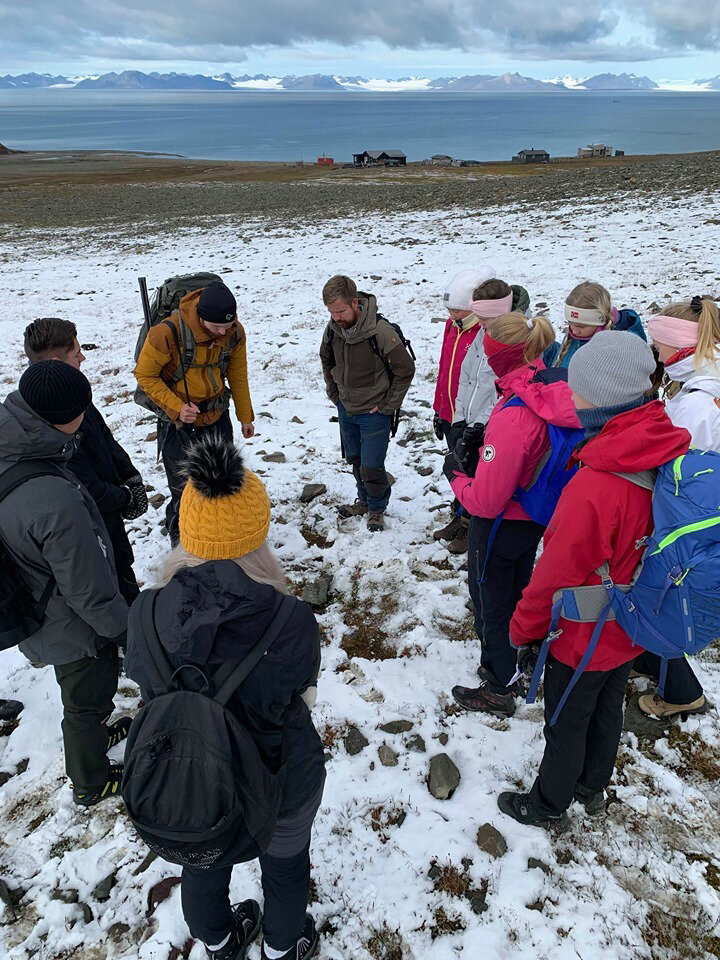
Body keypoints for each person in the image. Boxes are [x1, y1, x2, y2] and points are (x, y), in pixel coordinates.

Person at [125, 436, 324, 960]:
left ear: (186, 529)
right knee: (285, 868)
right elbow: (300, 697)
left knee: (203, 865)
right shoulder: (292, 622)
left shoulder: (145, 613)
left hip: (194, 786)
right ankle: (283, 947)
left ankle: (218, 942)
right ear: (257, 533)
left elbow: (147, 684)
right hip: (281, 781)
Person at [500, 332, 690, 827]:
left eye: (578, 391)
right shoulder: (664, 443)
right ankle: (592, 785)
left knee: (565, 719)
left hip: (584, 633)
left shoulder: (596, 485)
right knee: (607, 706)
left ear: (604, 399)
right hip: (635, 618)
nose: (570, 398)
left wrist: (524, 630)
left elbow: (553, 575)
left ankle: (546, 804)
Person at [0, 362, 130, 806]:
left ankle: (95, 733)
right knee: (85, 698)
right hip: (70, 625)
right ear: (65, 417)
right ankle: (91, 780)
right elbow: (88, 592)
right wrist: (124, 631)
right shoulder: (53, 501)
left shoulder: (12, 439)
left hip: (35, 600)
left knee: (83, 695)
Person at [445, 311, 580, 717]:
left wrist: (456, 477)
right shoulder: (550, 386)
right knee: (519, 587)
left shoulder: (514, 415)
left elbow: (486, 500)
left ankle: (498, 685)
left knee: (491, 600)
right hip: (537, 515)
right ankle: (523, 652)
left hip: (502, 522)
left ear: (495, 358)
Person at [632, 296, 720, 718]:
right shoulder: (703, 380)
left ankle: (681, 693)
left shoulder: (697, 404)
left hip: (688, 523)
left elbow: (678, 468)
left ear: (680, 345)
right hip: (697, 516)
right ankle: (648, 656)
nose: (655, 351)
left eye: (659, 344)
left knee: (662, 592)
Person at [24, 317, 146, 604]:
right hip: (89, 528)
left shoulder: (73, 391)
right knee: (112, 587)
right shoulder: (47, 418)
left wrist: (130, 476)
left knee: (124, 572)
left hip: (109, 515)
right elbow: (84, 485)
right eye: (76, 351)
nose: (83, 356)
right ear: (56, 360)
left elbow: (103, 435)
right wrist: (124, 499)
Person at [134, 280, 255, 546]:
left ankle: (220, 537)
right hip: (179, 425)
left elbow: (237, 373)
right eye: (217, 327)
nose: (223, 332)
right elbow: (144, 375)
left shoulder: (234, 332)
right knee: (185, 491)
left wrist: (245, 415)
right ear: (200, 317)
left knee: (223, 485)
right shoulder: (166, 333)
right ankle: (184, 544)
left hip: (216, 416)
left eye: (228, 324)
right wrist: (177, 408)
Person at [435, 278, 532, 553]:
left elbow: (505, 388)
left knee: (486, 480)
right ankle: (463, 517)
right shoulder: (483, 331)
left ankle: (476, 529)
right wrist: (459, 419)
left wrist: (479, 425)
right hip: (471, 419)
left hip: (496, 424)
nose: (482, 326)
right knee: (466, 468)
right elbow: (467, 379)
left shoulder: (515, 338)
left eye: (486, 320)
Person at [320, 275, 415, 532]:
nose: (336, 317)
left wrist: (387, 406)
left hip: (374, 412)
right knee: (356, 460)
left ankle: (376, 508)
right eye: (331, 312)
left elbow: (405, 370)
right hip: (346, 408)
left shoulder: (381, 332)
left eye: (340, 311)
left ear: (355, 303)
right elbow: (326, 360)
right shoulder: (333, 330)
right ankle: (363, 500)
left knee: (373, 465)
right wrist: (335, 394)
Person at [431, 266, 495, 551]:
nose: (452, 316)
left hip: (476, 418)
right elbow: (445, 370)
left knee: (473, 470)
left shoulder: (483, 333)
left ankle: (472, 524)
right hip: (453, 413)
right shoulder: (452, 327)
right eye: (449, 310)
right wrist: (439, 409)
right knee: (456, 466)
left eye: (457, 311)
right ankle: (459, 513)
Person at [543, 281, 646, 369]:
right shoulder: (577, 336)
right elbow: (561, 360)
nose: (574, 331)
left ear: (601, 320)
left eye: (581, 326)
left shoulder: (622, 349)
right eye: (570, 323)